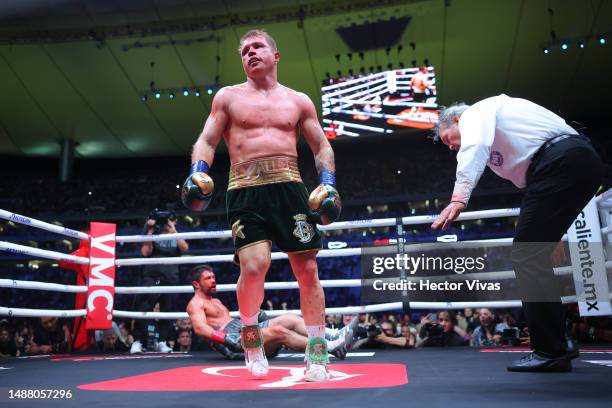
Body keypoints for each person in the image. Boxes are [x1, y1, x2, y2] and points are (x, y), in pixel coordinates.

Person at [181, 29, 341, 381]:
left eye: (257, 47)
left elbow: (321, 146)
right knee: (254, 267)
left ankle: (317, 356)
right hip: (245, 189)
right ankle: (252, 342)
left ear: (275, 55)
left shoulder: (298, 101)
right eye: (245, 50)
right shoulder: (228, 97)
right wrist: (197, 172)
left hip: (290, 188)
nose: (250, 53)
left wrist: (327, 184)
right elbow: (207, 140)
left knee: (308, 270)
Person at [431, 94, 604, 372]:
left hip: (560, 161)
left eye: (447, 138)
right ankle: (560, 343)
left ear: (455, 119)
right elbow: (535, 186)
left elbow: (472, 148)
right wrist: (553, 232)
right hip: (574, 163)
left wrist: (458, 197)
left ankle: (551, 350)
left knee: (525, 255)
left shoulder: (477, 112)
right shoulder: (501, 133)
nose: (450, 147)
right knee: (532, 253)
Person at [186, 265, 354, 361]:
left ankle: (333, 335)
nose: (214, 280)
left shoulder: (215, 301)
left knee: (290, 319)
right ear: (196, 284)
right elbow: (200, 328)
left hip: (240, 330)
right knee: (280, 332)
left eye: (214, 277)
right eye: (208, 278)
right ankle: (330, 348)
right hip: (233, 343)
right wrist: (226, 339)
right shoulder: (195, 304)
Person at [131, 210, 189, 354]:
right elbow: (145, 252)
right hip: (152, 275)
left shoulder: (176, 235)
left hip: (170, 277)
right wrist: (150, 230)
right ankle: (138, 341)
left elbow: (185, 248)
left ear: (175, 221)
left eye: (170, 220)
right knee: (144, 308)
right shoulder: (152, 232)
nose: (166, 223)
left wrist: (173, 230)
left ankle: (162, 341)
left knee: (167, 310)